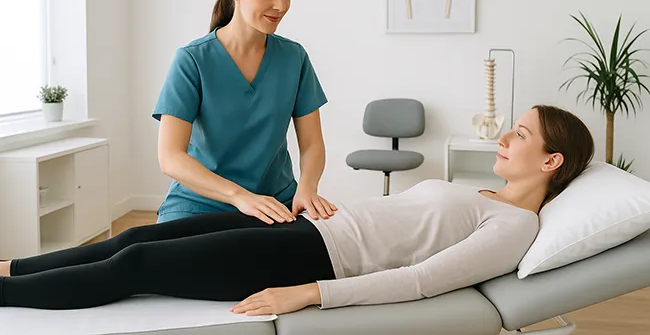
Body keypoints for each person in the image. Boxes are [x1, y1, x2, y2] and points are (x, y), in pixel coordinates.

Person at [0, 105, 595, 316]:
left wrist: (307, 293)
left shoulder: (517, 225)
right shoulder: (483, 196)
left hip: (317, 256)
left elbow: (420, 281)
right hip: (306, 224)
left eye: (520, 134)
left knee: (137, 263)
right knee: (155, 235)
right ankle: (15, 269)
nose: (506, 139)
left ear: (551, 162)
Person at [152, 0, 337, 224]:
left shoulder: (294, 57)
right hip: (201, 203)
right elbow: (170, 157)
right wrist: (239, 196)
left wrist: (307, 188)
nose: (281, 5)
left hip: (277, 203)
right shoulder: (192, 60)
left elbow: (312, 143)